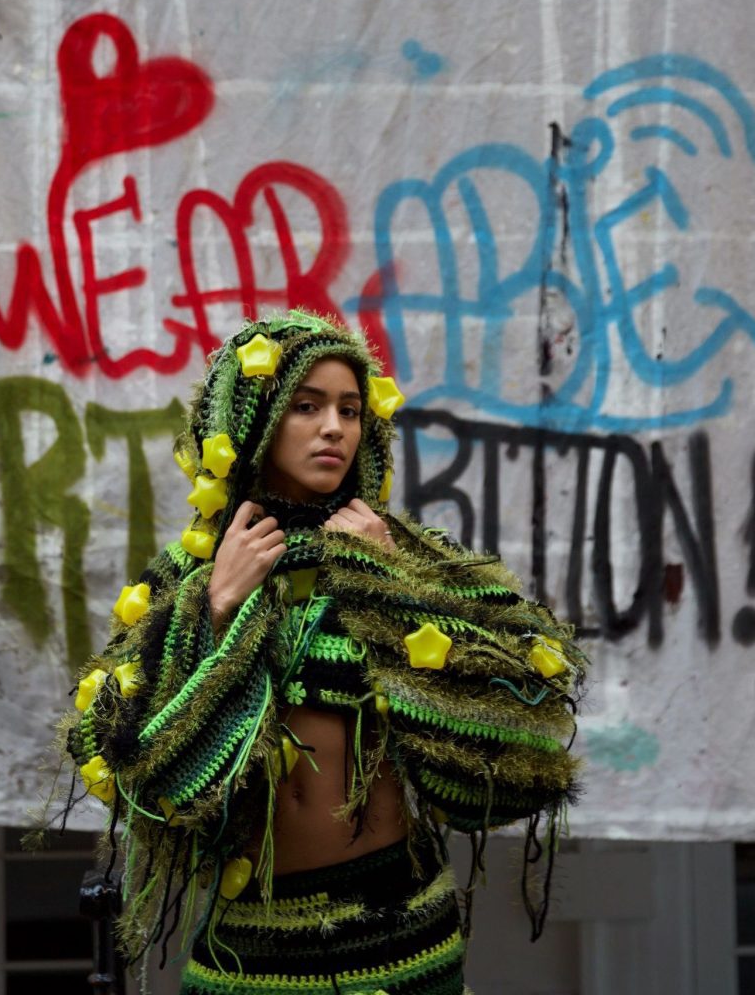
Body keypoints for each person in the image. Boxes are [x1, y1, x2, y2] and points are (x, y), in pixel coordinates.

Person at [59, 310, 585, 995]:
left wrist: (390, 584)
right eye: (305, 406)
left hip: (400, 931)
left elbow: (525, 738)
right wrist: (215, 606)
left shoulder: (404, 555)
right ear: (252, 417)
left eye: (349, 409)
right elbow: (116, 751)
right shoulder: (193, 573)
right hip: (250, 942)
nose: (333, 427)